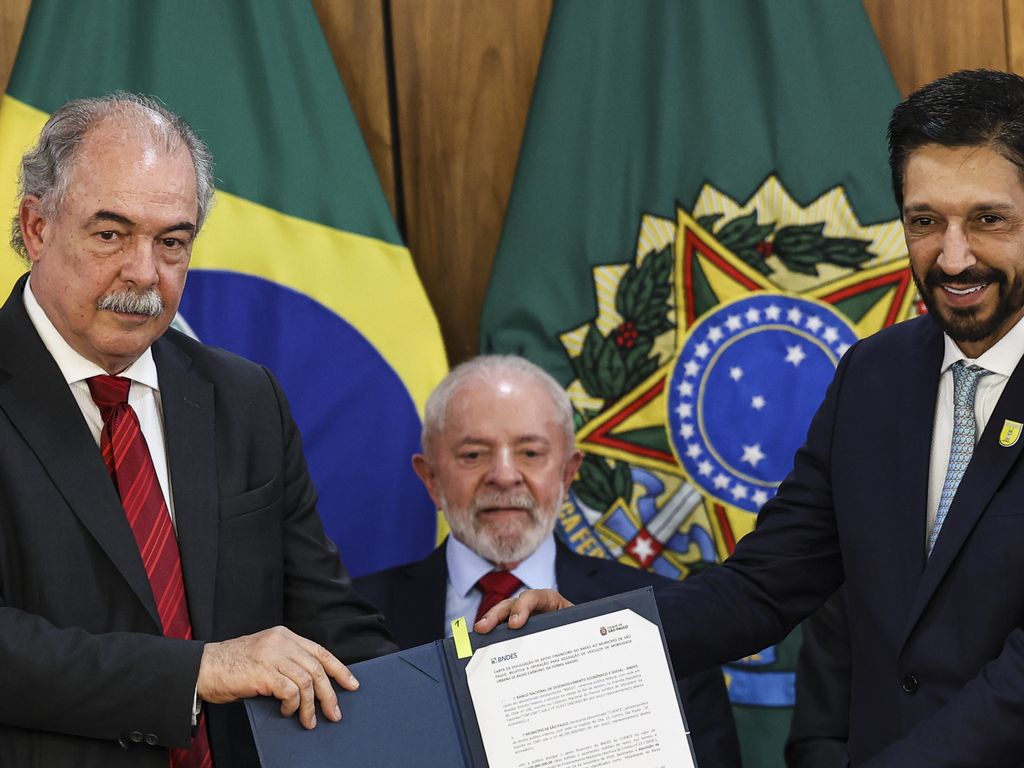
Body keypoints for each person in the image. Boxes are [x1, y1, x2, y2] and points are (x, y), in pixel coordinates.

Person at [478, 68, 1024, 767]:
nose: (952, 256)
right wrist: (595, 638)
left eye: (987, 220)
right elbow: (764, 585)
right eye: (925, 222)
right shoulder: (874, 376)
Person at [0, 93, 396, 767]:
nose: (144, 273)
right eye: (110, 234)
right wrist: (196, 671)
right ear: (37, 227)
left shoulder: (246, 399)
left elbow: (331, 627)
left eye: (172, 242)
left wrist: (503, 669)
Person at [354, 354, 742, 767]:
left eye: (530, 452)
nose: (504, 475)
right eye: (473, 455)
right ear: (431, 478)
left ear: (568, 473)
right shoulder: (351, 617)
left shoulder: (659, 616)